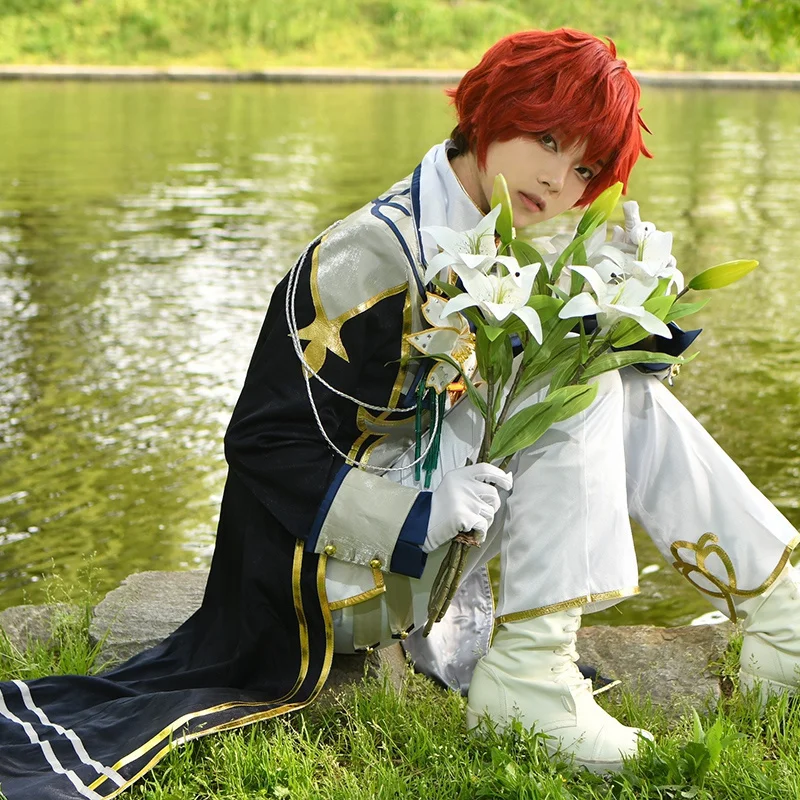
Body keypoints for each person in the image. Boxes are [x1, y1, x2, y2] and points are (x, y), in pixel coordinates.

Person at [1, 28, 800, 798]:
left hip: (430, 538)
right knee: (583, 384)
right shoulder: (373, 253)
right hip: (336, 569)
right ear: (493, 111)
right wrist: (416, 514)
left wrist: (633, 298)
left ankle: (779, 618)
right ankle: (531, 679)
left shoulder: (499, 239)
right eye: (548, 139)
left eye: (585, 167)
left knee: (614, 383)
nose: (559, 181)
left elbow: (600, 393)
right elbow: (260, 442)